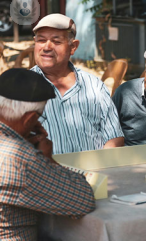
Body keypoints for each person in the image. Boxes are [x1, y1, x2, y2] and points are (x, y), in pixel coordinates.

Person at [0, 68, 95, 240]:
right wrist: (47, 160)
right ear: (29, 119)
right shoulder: (18, 157)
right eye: (38, 118)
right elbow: (82, 200)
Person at [31, 13, 124, 154]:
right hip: (45, 172)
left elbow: (114, 137)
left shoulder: (93, 85)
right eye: (41, 40)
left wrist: (101, 169)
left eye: (56, 42)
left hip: (93, 171)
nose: (47, 47)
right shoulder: (21, 88)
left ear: (73, 47)